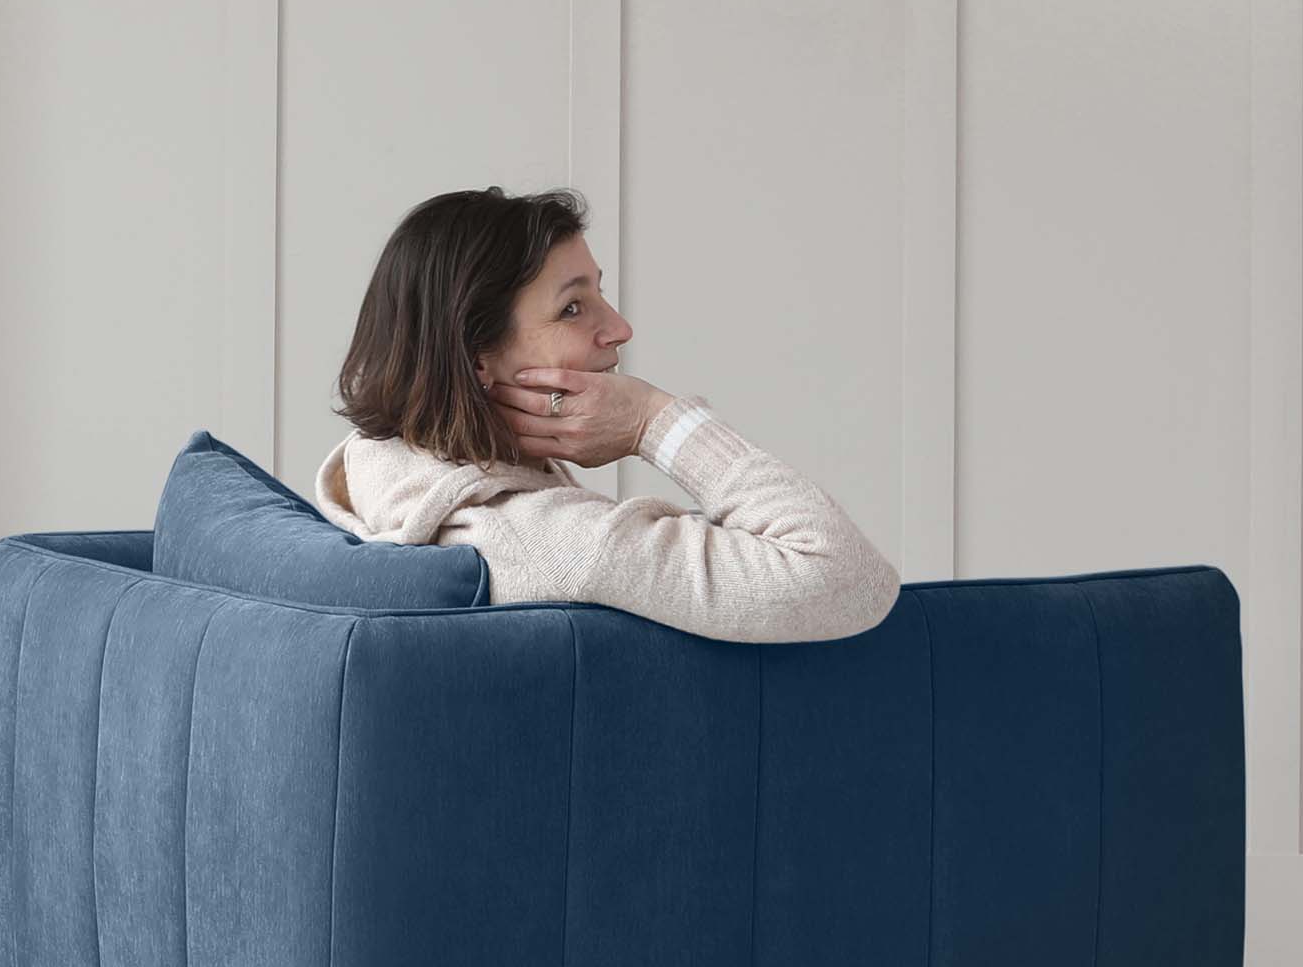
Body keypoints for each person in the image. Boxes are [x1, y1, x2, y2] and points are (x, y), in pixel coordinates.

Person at [315, 185, 900, 644]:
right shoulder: (553, 542)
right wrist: (656, 423)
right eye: (572, 308)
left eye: (600, 293)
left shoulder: (379, 471)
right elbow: (846, 576)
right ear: (476, 360)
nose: (619, 329)